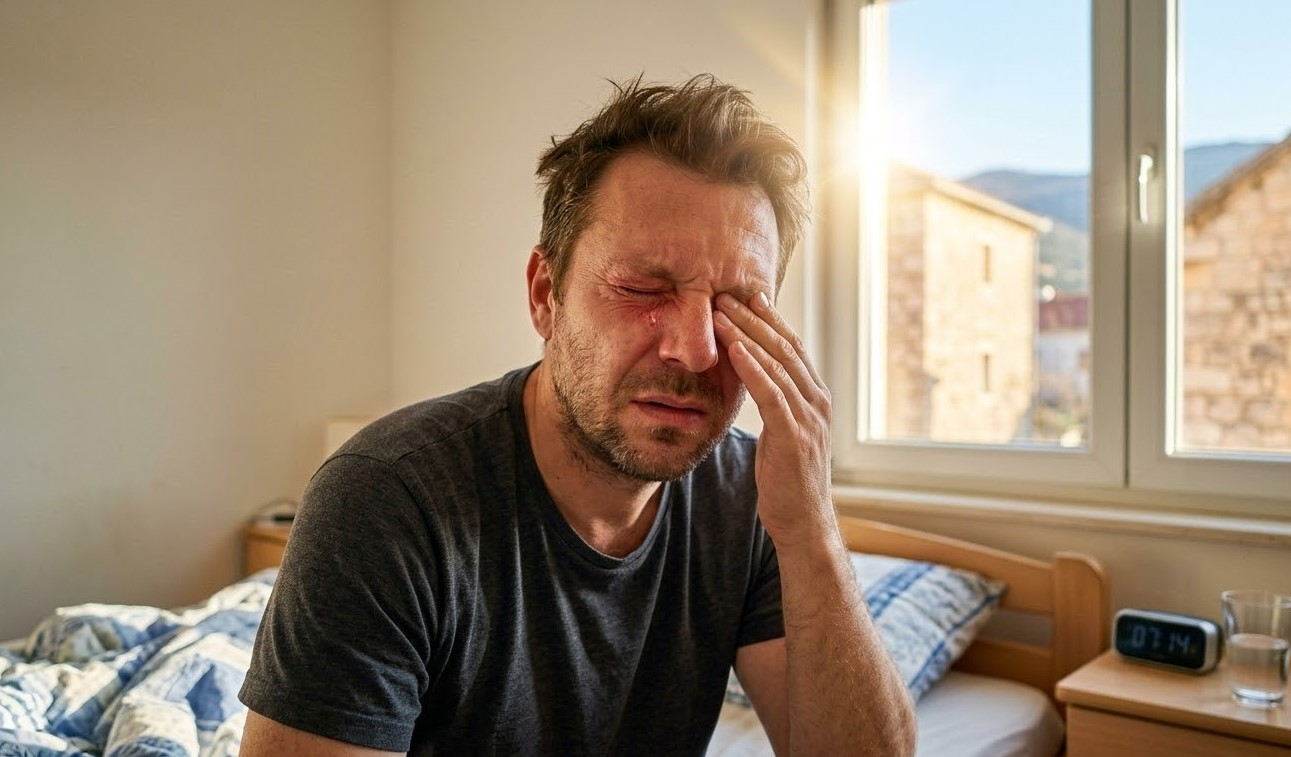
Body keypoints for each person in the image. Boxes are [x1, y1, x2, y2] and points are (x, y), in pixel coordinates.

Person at [238, 74, 916, 757]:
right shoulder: (388, 498)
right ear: (544, 295)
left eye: (735, 304)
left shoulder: (756, 501)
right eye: (640, 288)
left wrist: (811, 530)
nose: (693, 348)